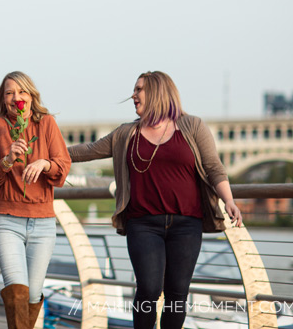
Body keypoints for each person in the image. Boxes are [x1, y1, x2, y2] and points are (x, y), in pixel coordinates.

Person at [68, 71, 243, 329]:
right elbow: (87, 151)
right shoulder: (126, 134)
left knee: (177, 293)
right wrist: (46, 151)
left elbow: (214, 167)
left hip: (187, 224)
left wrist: (228, 200)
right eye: (134, 89)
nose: (133, 95)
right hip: (143, 224)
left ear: (158, 92)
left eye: (139, 89)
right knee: (149, 289)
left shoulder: (192, 126)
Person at [0, 71, 71, 329]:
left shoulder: (47, 124)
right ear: (2, 98)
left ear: (31, 96)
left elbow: (62, 168)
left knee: (31, 294)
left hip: (43, 223)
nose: (16, 98)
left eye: (21, 92)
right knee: (17, 289)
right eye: (9, 93)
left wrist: (45, 163)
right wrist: (7, 160)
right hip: (8, 221)